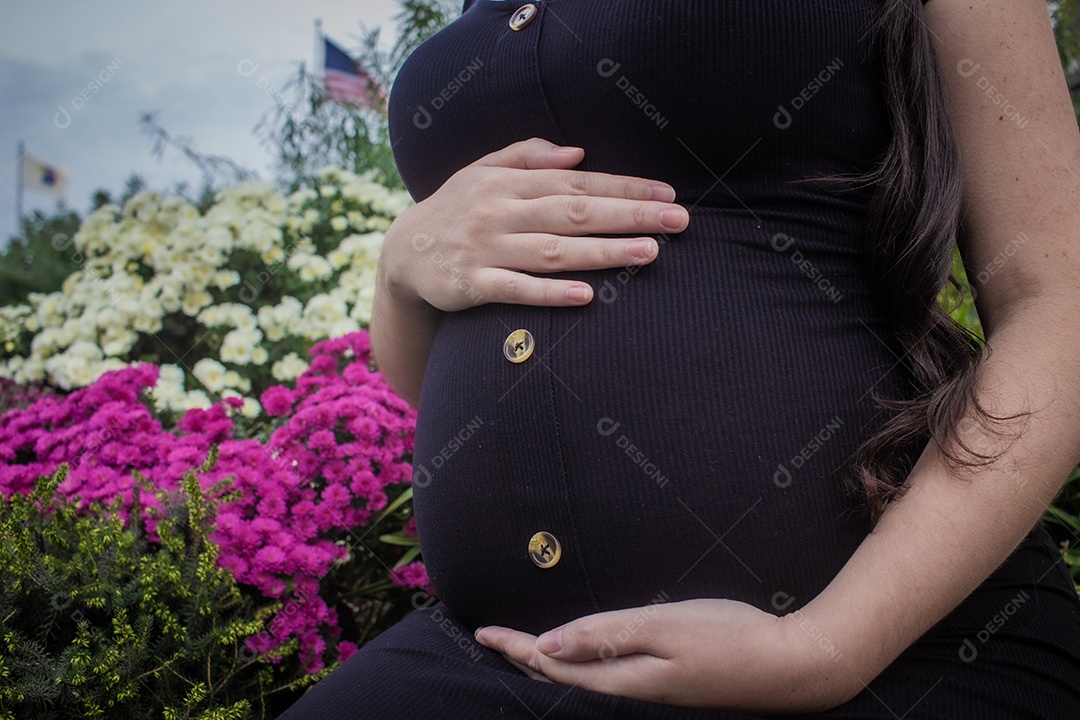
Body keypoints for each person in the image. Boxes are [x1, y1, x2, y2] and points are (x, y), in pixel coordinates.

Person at [279, 0, 1080, 717]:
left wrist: (822, 649)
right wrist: (402, 267)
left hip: (891, 656)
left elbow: (1060, 304)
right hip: (503, 655)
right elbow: (435, 383)